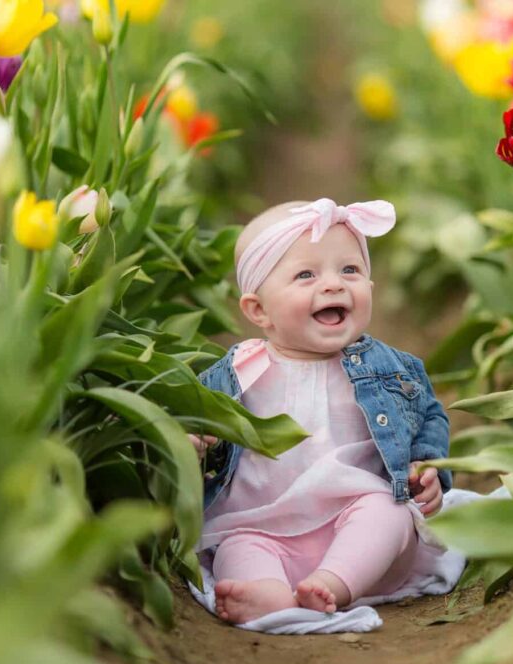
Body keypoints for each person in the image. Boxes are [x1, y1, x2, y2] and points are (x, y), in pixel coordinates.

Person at [191, 198, 452, 625]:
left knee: (389, 511)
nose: (333, 285)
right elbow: (195, 418)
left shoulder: (391, 368)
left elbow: (428, 416)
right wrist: (195, 439)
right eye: (306, 275)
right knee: (237, 548)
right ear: (258, 310)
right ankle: (271, 595)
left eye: (349, 270)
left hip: (356, 527)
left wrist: (429, 469)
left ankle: (332, 585)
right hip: (261, 527)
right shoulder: (237, 373)